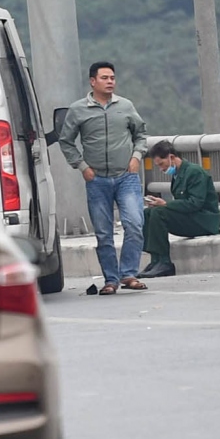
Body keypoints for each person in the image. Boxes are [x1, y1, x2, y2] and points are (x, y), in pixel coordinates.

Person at [58, 61, 150, 295]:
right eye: (105, 78)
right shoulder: (78, 109)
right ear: (92, 81)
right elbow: (66, 140)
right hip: (97, 179)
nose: (110, 82)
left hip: (126, 176)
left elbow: (140, 134)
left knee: (135, 224)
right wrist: (81, 166)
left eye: (112, 78)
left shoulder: (125, 106)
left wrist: (136, 157)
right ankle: (111, 279)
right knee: (103, 233)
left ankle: (128, 273)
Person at [138, 140, 220, 279]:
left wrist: (165, 204)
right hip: (191, 218)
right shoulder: (177, 175)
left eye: (162, 164)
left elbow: (195, 204)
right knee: (148, 213)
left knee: (159, 212)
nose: (162, 169)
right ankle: (156, 260)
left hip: (203, 221)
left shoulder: (194, 172)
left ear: (171, 157)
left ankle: (165, 262)